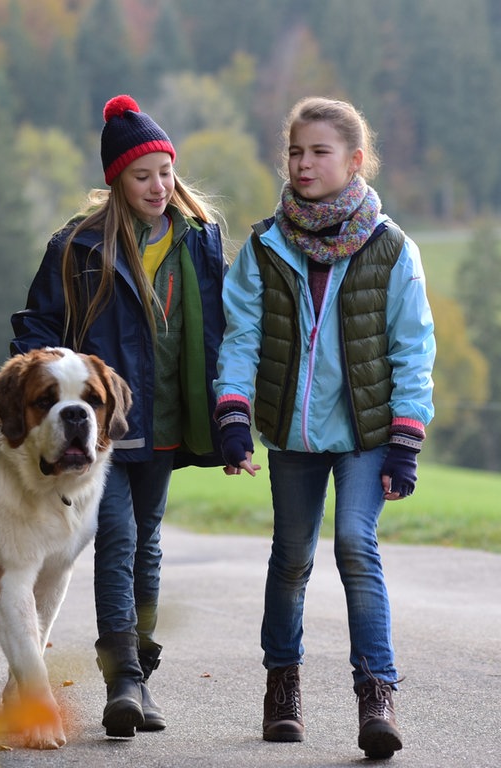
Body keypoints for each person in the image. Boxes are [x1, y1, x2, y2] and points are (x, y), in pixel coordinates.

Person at [213, 96, 435, 760]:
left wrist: (405, 438)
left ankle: (377, 697)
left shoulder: (392, 247)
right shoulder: (264, 246)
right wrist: (232, 414)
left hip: (368, 433)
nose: (304, 163)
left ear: (354, 160)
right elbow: (242, 338)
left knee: (354, 546)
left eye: (320, 151)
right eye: (295, 151)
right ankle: (283, 686)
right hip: (294, 434)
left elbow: (413, 348)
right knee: (291, 558)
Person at [10, 94, 228, 738]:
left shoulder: (201, 240)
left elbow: (226, 329)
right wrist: (27, 396)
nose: (158, 186)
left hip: (167, 419)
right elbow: (38, 327)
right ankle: (123, 680)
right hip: (101, 430)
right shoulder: (78, 247)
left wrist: (232, 410)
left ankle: (139, 677)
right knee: (120, 538)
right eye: (142, 175)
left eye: (165, 171)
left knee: (149, 543)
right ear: (115, 182)